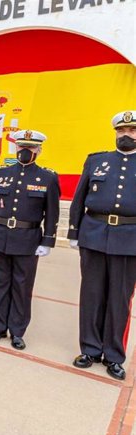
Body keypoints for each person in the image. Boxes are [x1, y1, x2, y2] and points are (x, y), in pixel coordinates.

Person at [68, 110, 136, 381]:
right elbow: (79, 197)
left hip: (130, 238)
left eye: (131, 131)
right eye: (121, 131)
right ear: (115, 133)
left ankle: (114, 355)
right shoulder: (97, 161)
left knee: (119, 299)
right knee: (92, 295)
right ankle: (90, 349)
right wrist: (74, 231)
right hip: (94, 234)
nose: (126, 135)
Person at [0, 129, 60, 350]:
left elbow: (52, 212)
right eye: (21, 146)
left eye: (30, 147)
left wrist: (47, 241)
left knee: (22, 286)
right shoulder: (0, 173)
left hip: (28, 239)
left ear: (39, 150)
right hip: (0, 236)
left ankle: (17, 331)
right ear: (16, 148)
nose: (25, 151)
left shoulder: (48, 177)